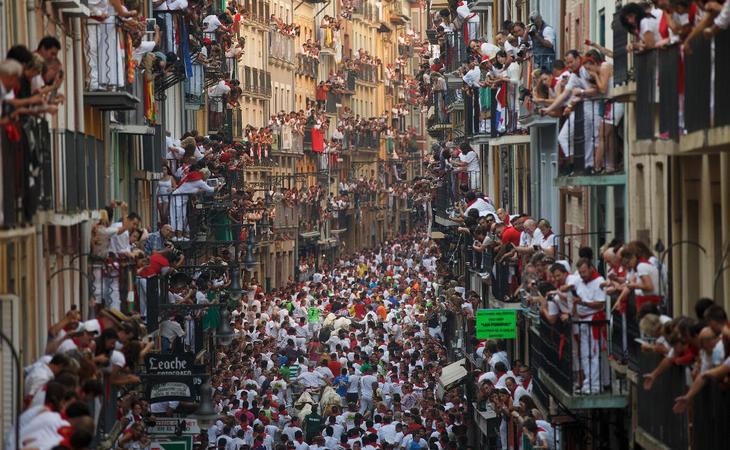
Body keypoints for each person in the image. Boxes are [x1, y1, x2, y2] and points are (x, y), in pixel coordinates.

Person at [573, 258, 608, 394]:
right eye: (580, 272)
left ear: (591, 268)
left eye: (584, 272)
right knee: (584, 354)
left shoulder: (599, 281)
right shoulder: (580, 281)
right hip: (583, 322)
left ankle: (595, 385)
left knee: (594, 354)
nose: (582, 275)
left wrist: (582, 303)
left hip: (594, 321)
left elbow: (600, 304)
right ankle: (588, 383)